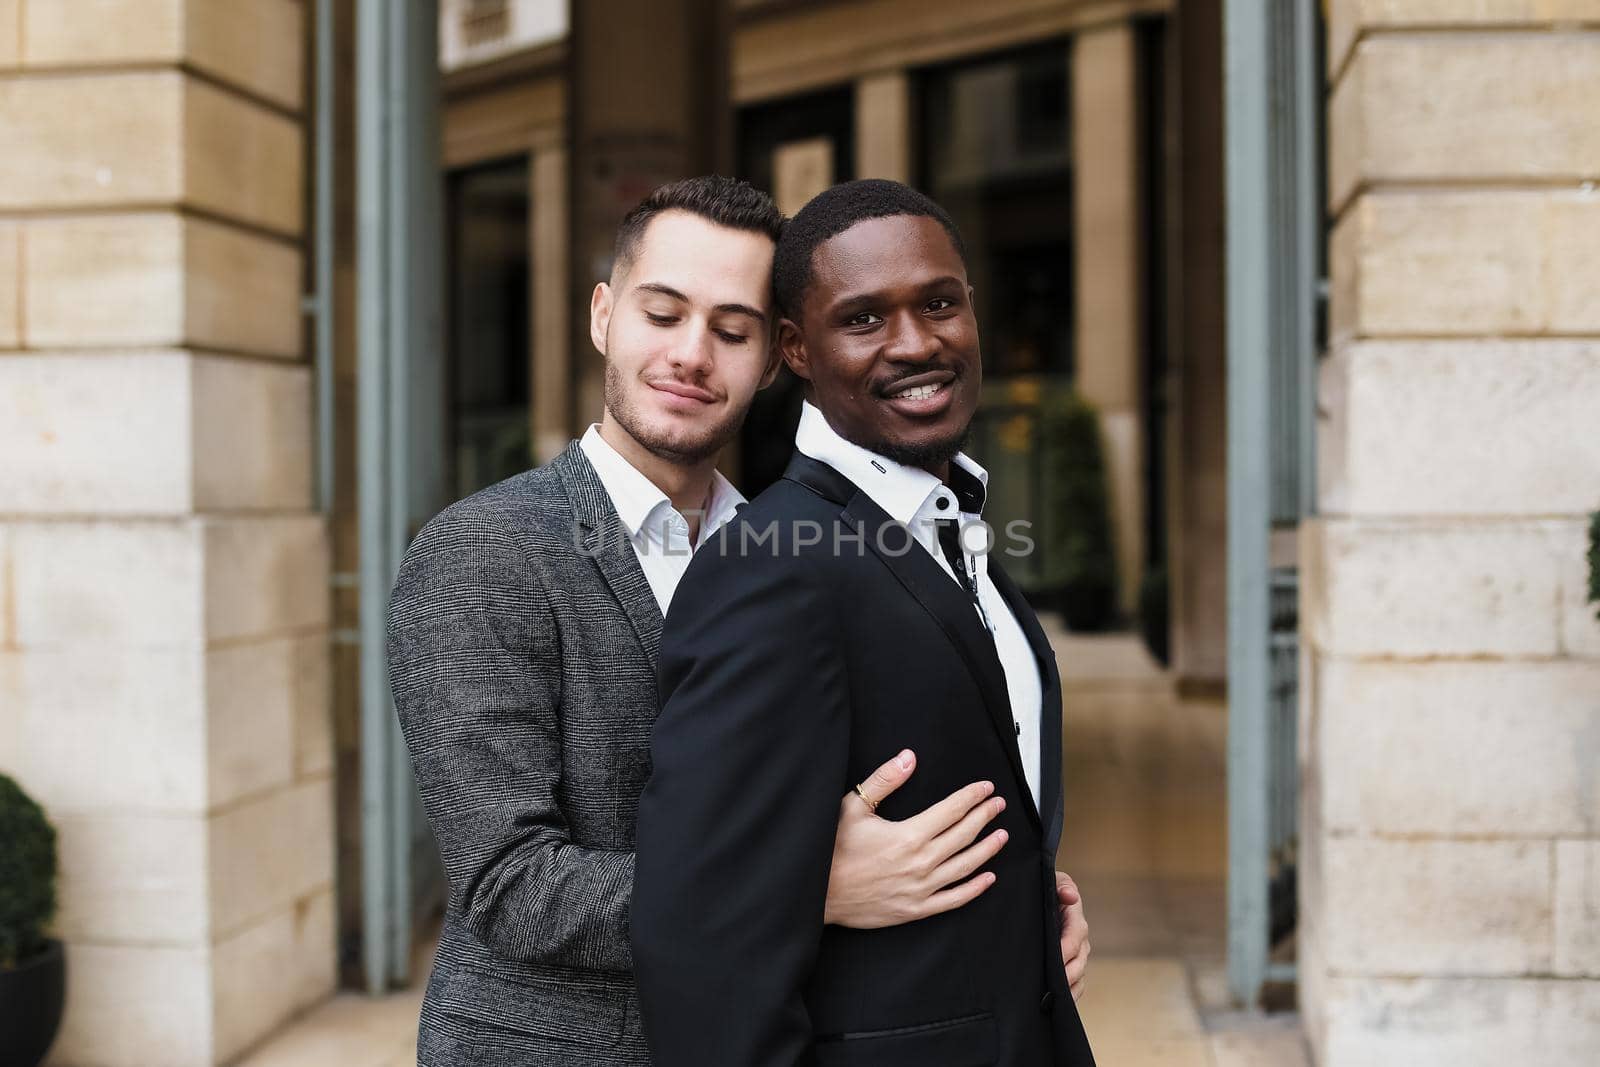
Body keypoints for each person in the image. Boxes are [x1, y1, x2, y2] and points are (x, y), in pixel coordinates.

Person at [386, 176, 1086, 1066]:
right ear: (604, 315)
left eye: (731, 329)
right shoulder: (483, 551)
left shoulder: (800, 547)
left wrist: (1013, 910)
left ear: (777, 356)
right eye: (663, 313)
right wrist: (799, 887)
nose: (692, 355)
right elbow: (508, 884)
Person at [632, 179, 1097, 1067]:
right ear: (798, 349)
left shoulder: (949, 529)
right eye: (864, 320)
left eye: (939, 303)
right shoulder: (769, 564)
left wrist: (1029, 914)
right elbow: (702, 941)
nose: (916, 343)